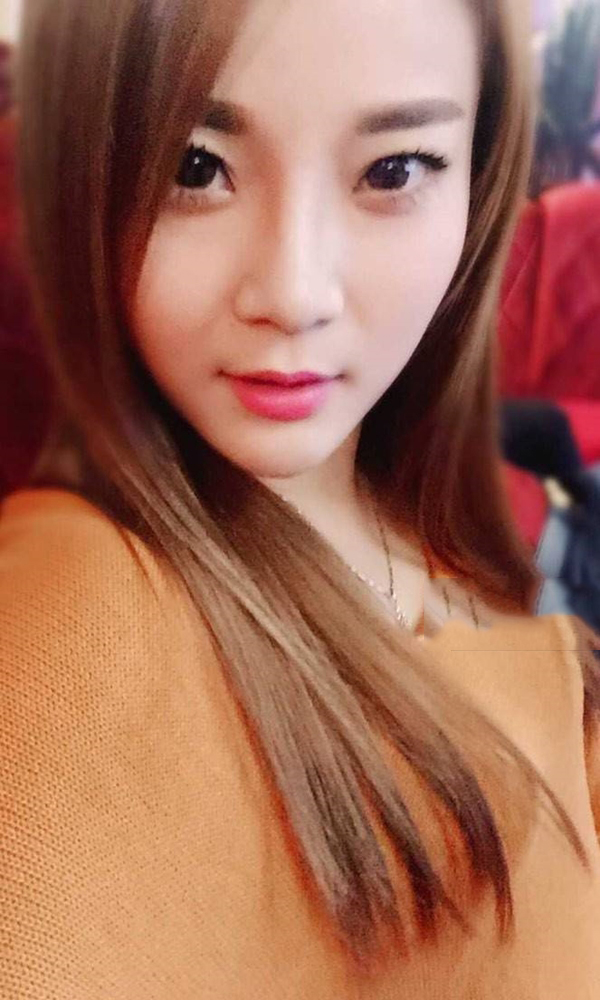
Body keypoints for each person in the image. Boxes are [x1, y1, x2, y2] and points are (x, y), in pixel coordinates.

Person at [1, 0, 599, 996]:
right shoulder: (71, 616)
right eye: (195, 167)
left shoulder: (437, 509)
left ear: (479, 175)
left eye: (393, 171)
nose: (293, 292)